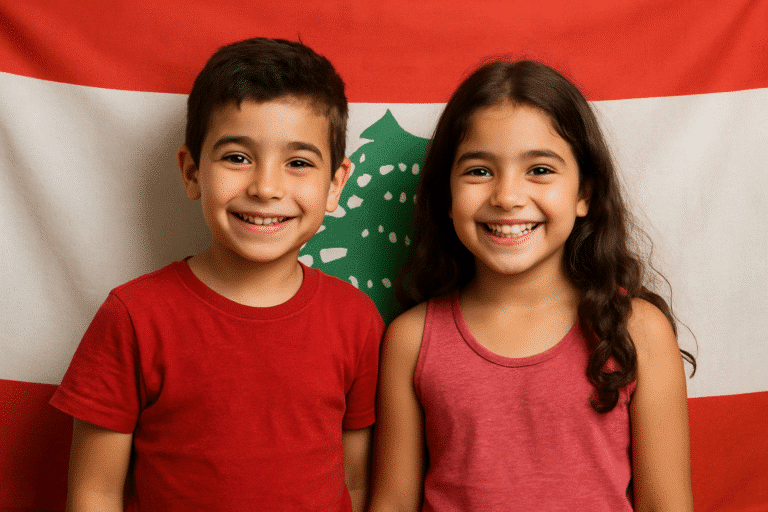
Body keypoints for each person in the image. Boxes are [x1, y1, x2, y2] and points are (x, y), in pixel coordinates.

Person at [50, 37, 383, 511]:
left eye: (298, 163)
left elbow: (354, 484)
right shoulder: (134, 316)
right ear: (191, 172)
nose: (266, 188)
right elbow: (94, 493)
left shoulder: (356, 320)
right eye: (237, 157)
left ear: (335, 185)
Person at [368, 60, 697, 511]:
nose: (506, 196)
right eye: (479, 171)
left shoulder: (638, 330)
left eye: (539, 170)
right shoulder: (411, 340)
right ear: (446, 197)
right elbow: (392, 503)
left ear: (586, 194)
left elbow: (667, 504)